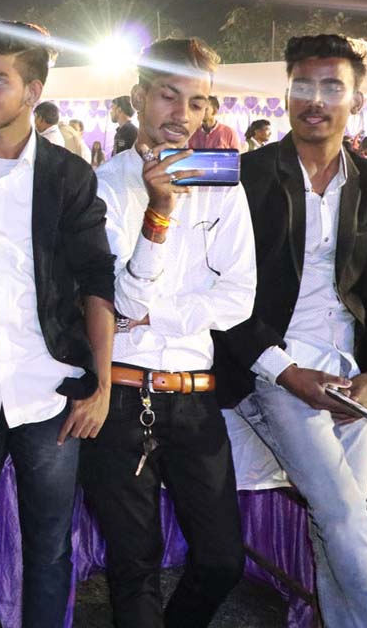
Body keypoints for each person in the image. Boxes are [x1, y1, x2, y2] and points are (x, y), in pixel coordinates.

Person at [216, 34, 367, 628]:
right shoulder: (246, 175)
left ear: (356, 100)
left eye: (331, 87)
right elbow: (224, 294)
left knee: (339, 518)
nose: (314, 100)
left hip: (349, 372)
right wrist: (286, 372)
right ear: (287, 94)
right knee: (344, 515)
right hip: (277, 365)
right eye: (302, 85)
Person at [0, 21, 115, 628]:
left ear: (32, 92)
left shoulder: (67, 176)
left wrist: (101, 384)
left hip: (49, 394)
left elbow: (97, 281)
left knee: (51, 550)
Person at [85, 38, 255, 627]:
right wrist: (159, 211)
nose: (183, 113)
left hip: (194, 394)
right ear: (138, 97)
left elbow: (238, 300)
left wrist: (158, 315)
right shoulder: (101, 187)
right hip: (120, 394)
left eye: (198, 102)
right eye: (168, 95)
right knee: (134, 569)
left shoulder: (224, 186)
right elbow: (121, 301)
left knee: (222, 561)